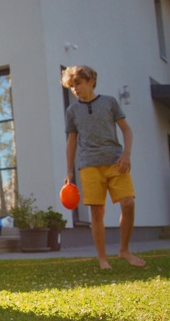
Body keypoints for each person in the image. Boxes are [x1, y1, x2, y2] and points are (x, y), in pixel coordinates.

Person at [61, 65, 145, 269]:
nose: (75, 89)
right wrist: (70, 171)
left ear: (91, 81)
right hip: (89, 166)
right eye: (72, 86)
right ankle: (103, 259)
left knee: (128, 203)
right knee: (97, 213)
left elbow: (127, 130)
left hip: (116, 162)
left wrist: (126, 154)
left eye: (78, 84)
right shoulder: (72, 110)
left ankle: (124, 250)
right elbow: (71, 141)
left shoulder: (109, 102)